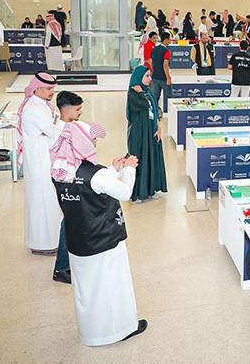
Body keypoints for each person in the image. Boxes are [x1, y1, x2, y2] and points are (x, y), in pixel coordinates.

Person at [50, 120, 147, 346]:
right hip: (103, 239)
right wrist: (129, 169)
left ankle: (91, 334)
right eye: (91, 138)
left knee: (87, 291)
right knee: (112, 286)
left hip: (77, 240)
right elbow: (124, 192)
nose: (93, 142)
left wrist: (113, 169)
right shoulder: (97, 174)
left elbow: (89, 189)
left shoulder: (58, 170)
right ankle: (120, 330)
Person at [17, 72, 65, 254]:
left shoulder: (42, 104)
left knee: (47, 201)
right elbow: (52, 130)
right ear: (37, 88)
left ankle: (48, 241)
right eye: (48, 88)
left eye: (53, 88)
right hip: (38, 160)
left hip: (43, 157)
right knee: (41, 201)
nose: (52, 92)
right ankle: (41, 244)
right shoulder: (33, 108)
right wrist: (59, 122)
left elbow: (50, 128)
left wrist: (53, 125)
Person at [49, 90, 87, 285]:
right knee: (69, 222)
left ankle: (67, 264)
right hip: (66, 182)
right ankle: (62, 268)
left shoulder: (61, 125)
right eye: (78, 109)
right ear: (68, 109)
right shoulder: (65, 131)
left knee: (70, 220)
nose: (80, 113)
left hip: (64, 179)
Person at [126, 66, 167, 202]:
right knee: (141, 158)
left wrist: (158, 126)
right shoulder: (133, 94)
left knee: (152, 158)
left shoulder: (148, 92)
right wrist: (141, 94)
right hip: (139, 133)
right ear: (138, 77)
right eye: (147, 76)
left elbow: (157, 110)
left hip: (151, 131)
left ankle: (151, 188)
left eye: (150, 76)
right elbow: (142, 105)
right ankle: (138, 192)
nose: (150, 79)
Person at [149, 31, 172, 111]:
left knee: (155, 98)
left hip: (155, 77)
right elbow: (165, 65)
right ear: (165, 40)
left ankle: (154, 113)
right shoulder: (167, 51)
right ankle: (171, 112)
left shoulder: (154, 49)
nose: (170, 41)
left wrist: (151, 75)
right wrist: (168, 78)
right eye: (169, 39)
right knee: (170, 97)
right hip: (163, 78)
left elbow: (151, 63)